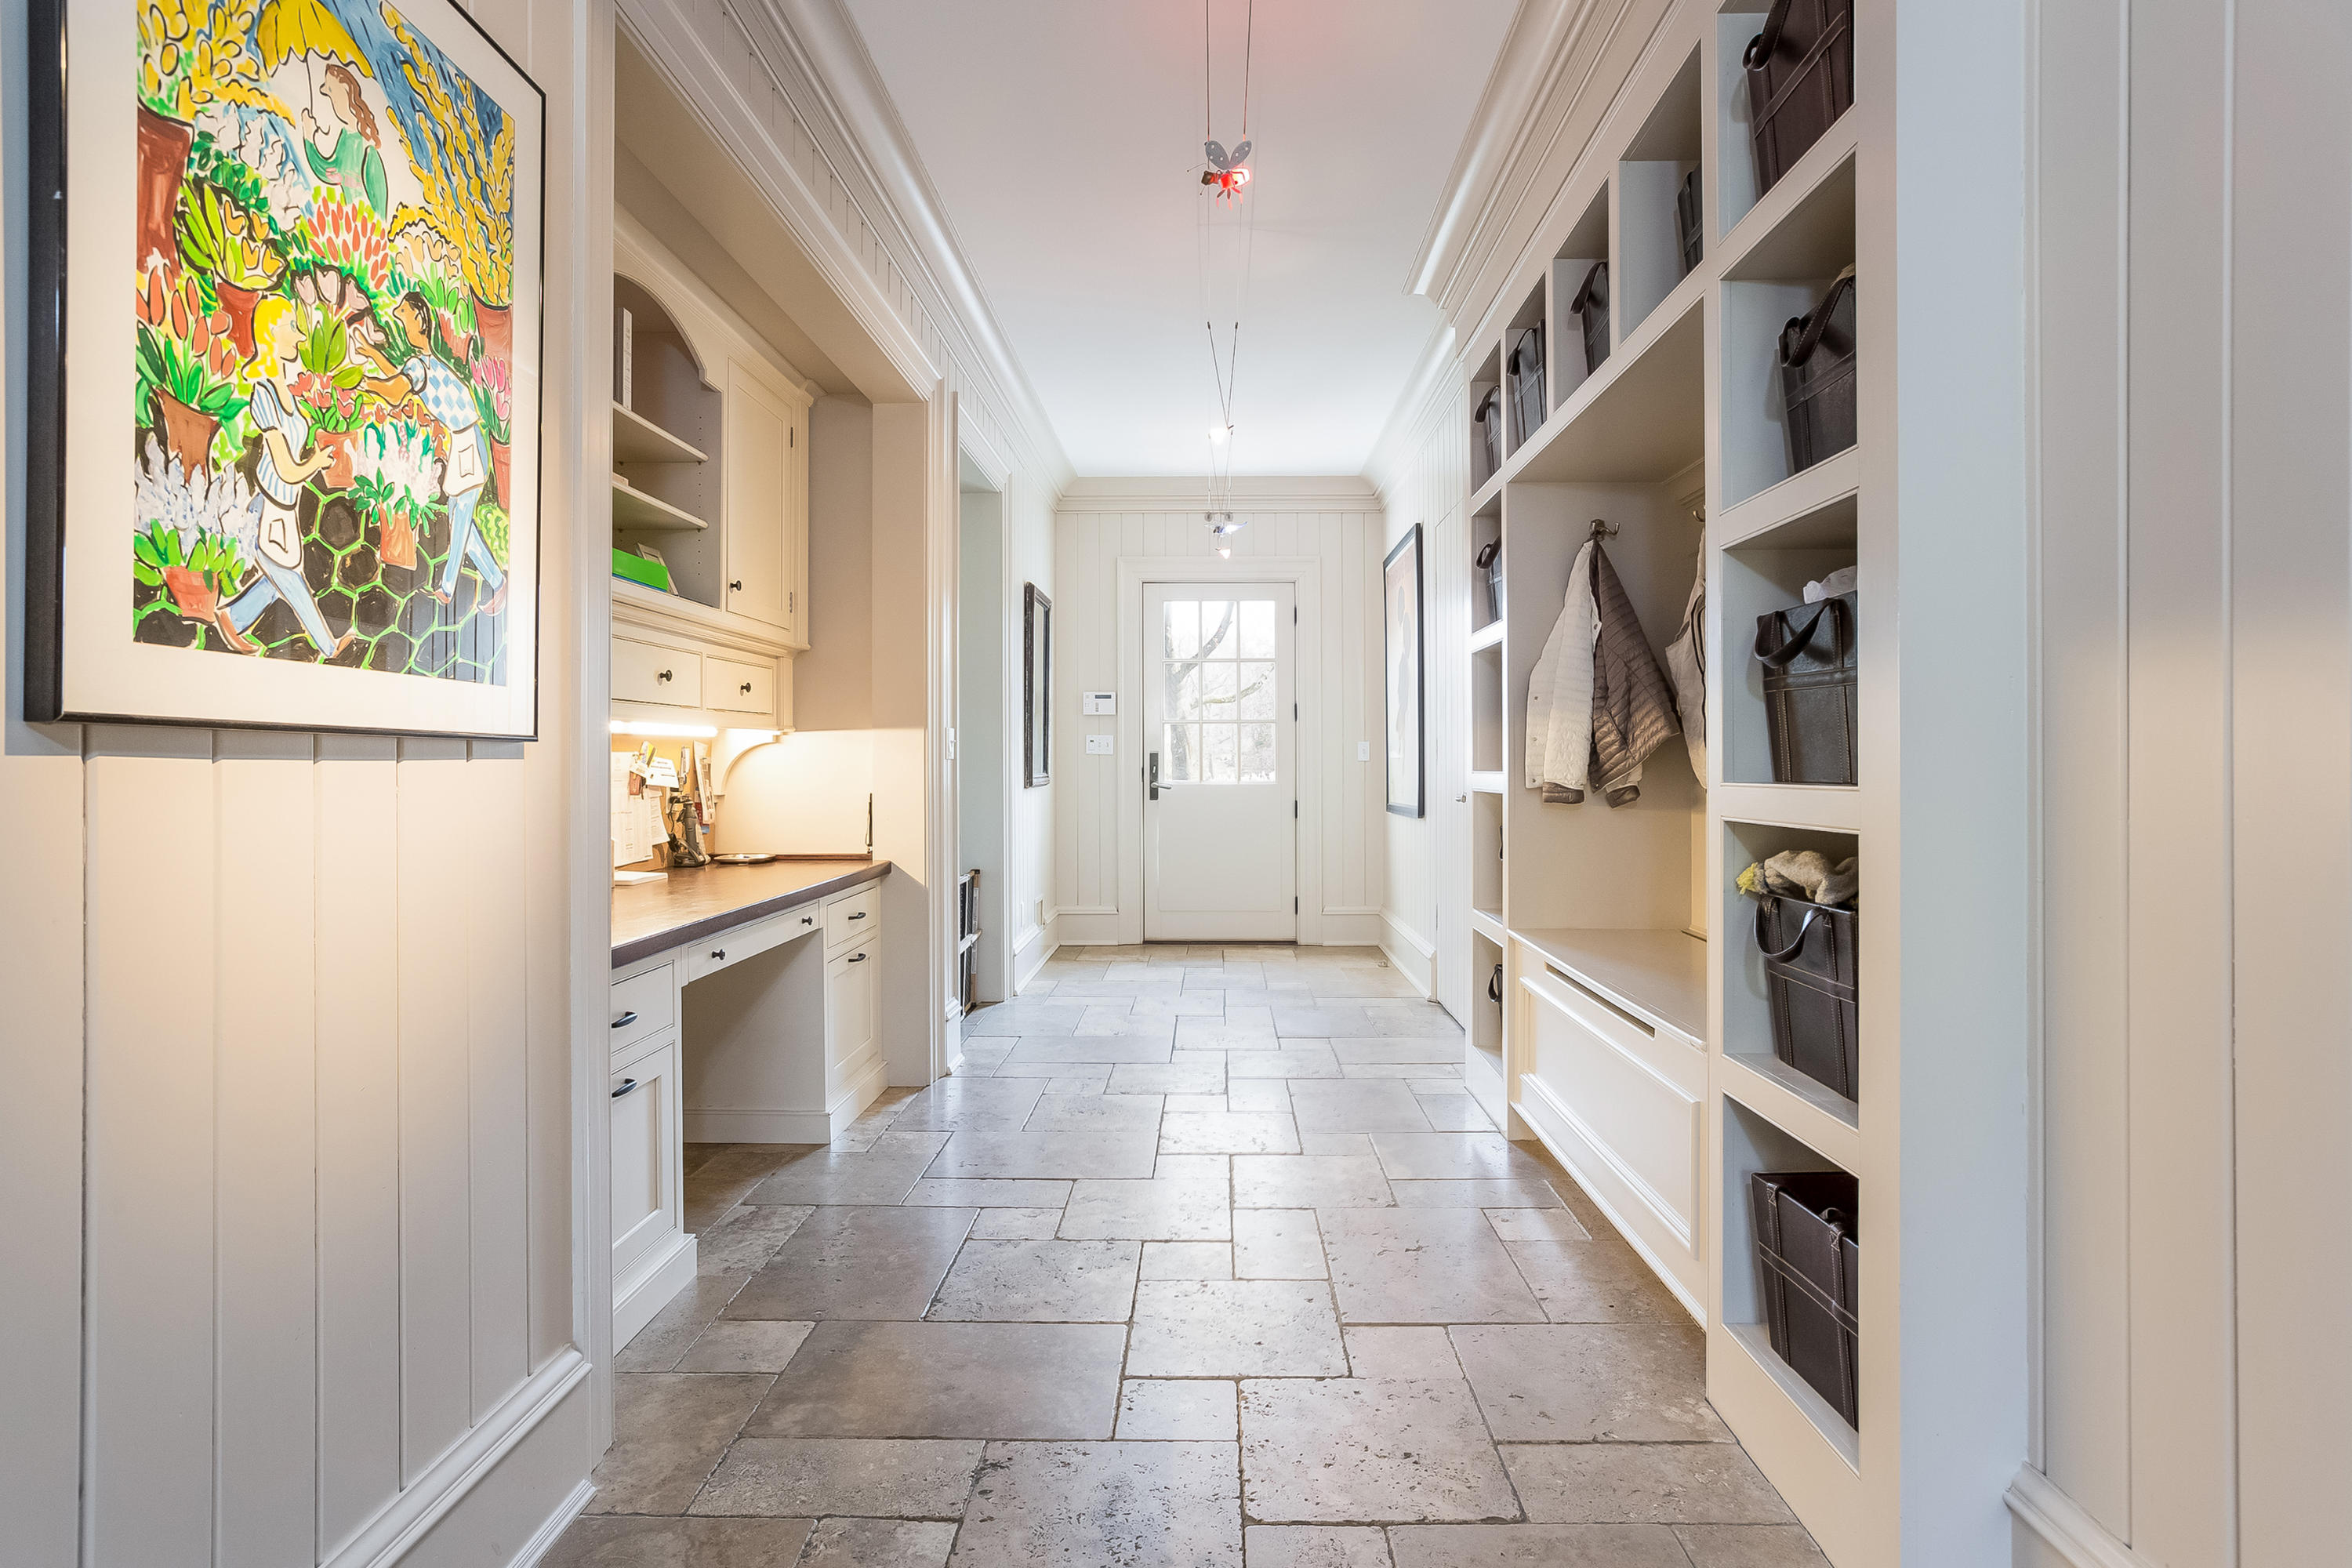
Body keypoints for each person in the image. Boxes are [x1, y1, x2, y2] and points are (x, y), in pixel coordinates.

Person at [216, 297, 354, 658]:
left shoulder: (287, 393)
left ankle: (232, 618)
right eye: (291, 326)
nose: (299, 334)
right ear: (271, 334)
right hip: (271, 505)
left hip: (286, 503)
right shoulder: (263, 395)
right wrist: (317, 462)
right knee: (291, 577)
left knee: (278, 580)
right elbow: (286, 468)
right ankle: (328, 646)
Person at [358, 291, 507, 613]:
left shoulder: (421, 365)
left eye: (405, 315)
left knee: (461, 518)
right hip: (464, 441)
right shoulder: (423, 363)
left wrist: (363, 382)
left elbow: (396, 391)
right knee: (460, 522)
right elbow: (401, 381)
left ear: (420, 321)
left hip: (468, 442)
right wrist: (373, 354)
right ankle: (498, 582)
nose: (402, 320)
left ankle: (447, 588)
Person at [299, 63, 389, 220]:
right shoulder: (347, 137)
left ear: (347, 92)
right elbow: (328, 171)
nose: (331, 99)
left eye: (331, 90)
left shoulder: (368, 149)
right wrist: (308, 136)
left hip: (367, 228)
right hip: (351, 225)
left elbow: (380, 209)